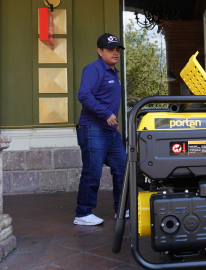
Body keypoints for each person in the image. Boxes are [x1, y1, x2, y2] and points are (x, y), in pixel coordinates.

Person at [74, 33, 128, 226]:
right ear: (99, 51)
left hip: (110, 131)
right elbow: (84, 95)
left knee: (122, 169)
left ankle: (122, 209)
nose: (115, 53)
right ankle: (83, 213)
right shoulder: (94, 69)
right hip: (93, 129)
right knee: (92, 171)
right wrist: (106, 114)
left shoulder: (114, 72)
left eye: (117, 50)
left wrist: (112, 120)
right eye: (110, 50)